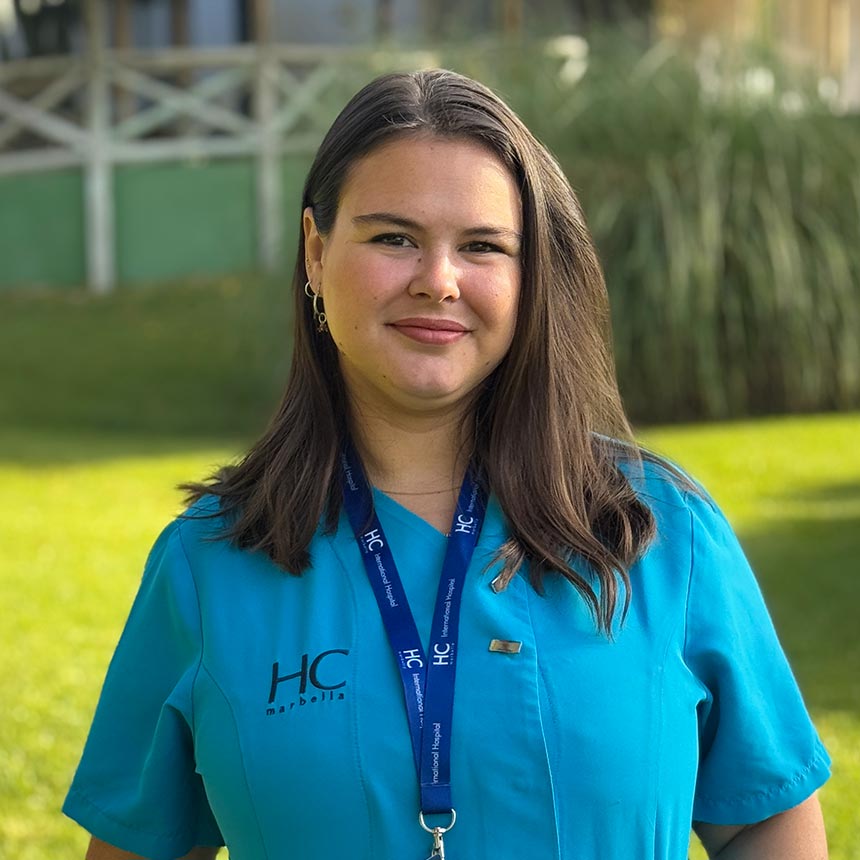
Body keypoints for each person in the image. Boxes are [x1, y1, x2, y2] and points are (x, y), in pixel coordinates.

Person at [63, 69, 830, 860]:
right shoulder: (210, 562)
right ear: (317, 253)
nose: (438, 280)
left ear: (530, 277)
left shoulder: (662, 534)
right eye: (394, 238)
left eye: (483, 246)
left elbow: (766, 818)